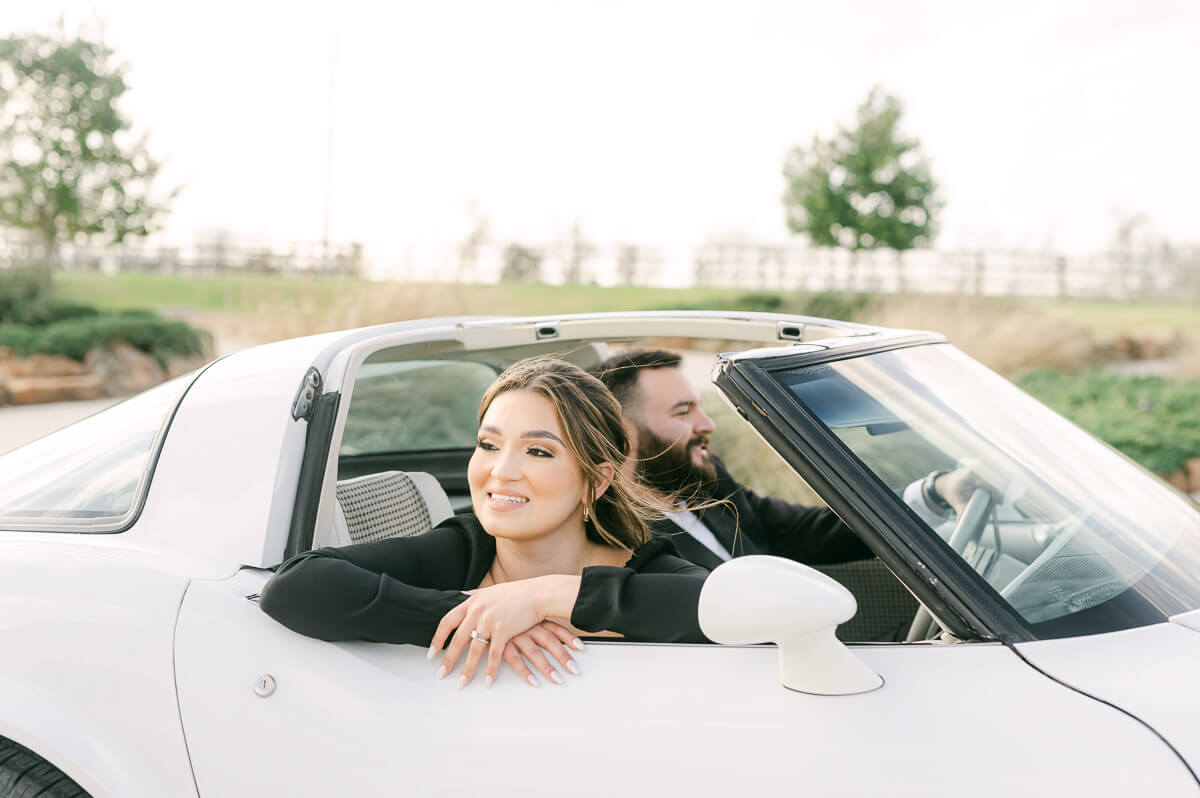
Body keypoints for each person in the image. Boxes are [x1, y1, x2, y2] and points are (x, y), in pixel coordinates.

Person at [260, 357, 709, 690]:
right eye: (489, 445)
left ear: (595, 482)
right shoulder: (461, 550)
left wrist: (538, 598)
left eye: (538, 451)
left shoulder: (650, 566)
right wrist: (475, 618)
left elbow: (721, 606)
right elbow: (295, 585)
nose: (502, 471)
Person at [589, 349, 983, 571]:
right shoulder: (609, 538)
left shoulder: (705, 484)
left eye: (701, 409)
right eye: (683, 413)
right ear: (624, 433)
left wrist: (936, 492)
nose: (706, 424)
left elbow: (811, 532)